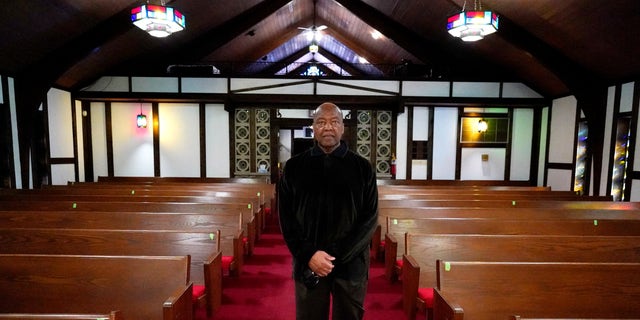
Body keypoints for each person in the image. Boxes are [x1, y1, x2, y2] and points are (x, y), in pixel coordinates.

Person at [278, 102, 379, 320]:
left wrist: (335, 257)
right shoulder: (294, 168)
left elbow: (369, 220)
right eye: (321, 122)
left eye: (334, 122)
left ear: (343, 128)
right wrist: (309, 255)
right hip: (308, 264)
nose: (328, 127)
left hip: (351, 265)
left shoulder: (362, 168)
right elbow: (287, 220)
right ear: (313, 128)